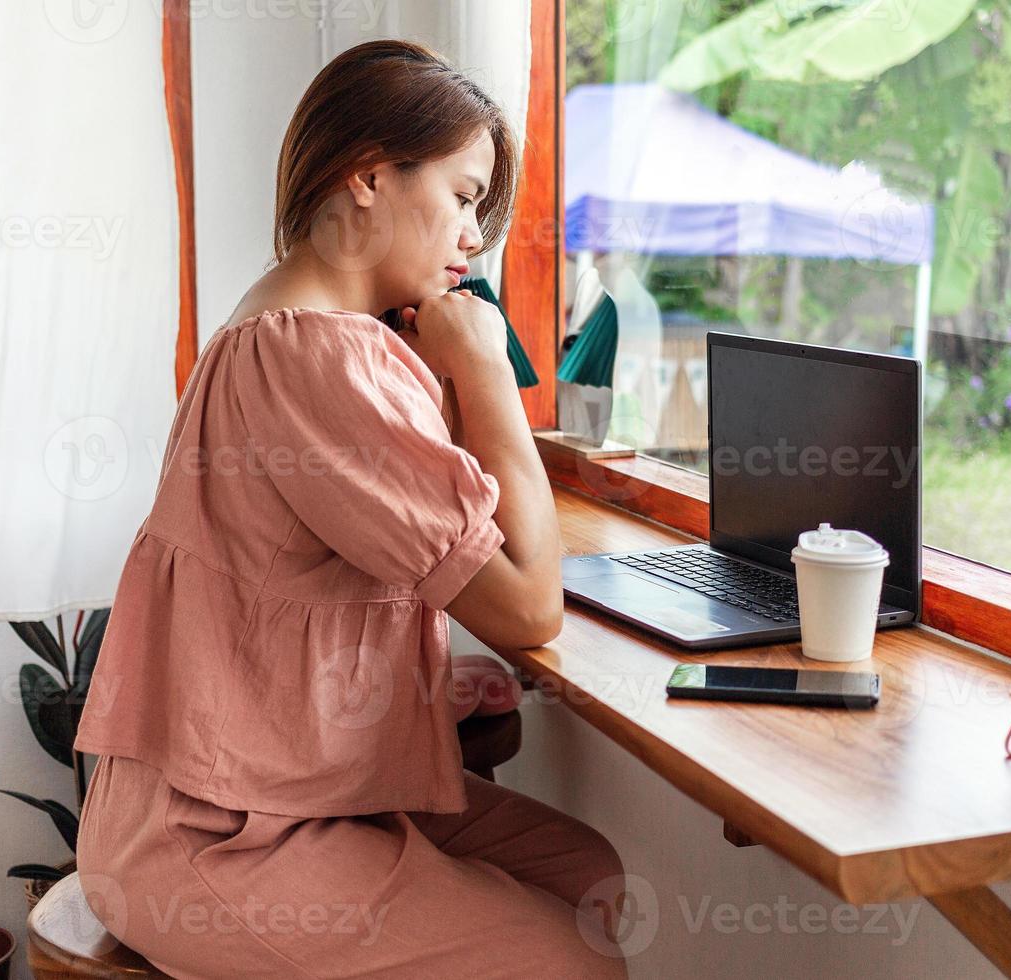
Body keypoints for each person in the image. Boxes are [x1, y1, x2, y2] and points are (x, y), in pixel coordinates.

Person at [71, 38, 630, 979]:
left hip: (281, 792)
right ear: (368, 177)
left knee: (593, 876)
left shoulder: (281, 330)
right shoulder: (319, 358)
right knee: (573, 960)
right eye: (462, 197)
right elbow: (531, 606)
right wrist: (485, 362)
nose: (473, 238)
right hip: (212, 841)